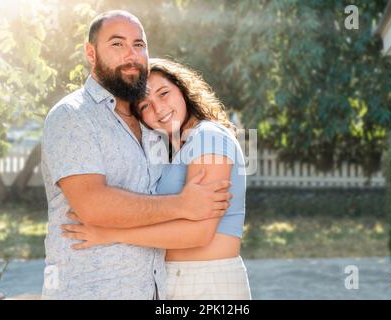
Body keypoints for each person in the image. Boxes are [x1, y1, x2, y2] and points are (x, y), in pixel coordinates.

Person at [41, 11, 231, 300]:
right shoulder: (72, 116)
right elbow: (93, 206)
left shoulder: (153, 128)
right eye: (117, 44)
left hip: (152, 291)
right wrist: (182, 205)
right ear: (91, 53)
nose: (131, 55)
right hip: (90, 289)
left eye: (139, 45)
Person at [61, 58, 252, 300]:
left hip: (207, 282)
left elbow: (199, 233)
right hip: (177, 280)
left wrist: (110, 234)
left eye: (164, 93)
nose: (159, 108)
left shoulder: (208, 137)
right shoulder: (178, 150)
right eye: (145, 106)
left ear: (181, 89)